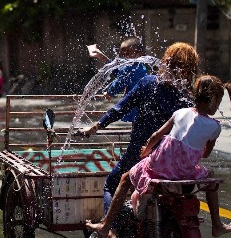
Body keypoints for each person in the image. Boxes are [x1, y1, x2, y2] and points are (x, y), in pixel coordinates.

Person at [86, 75, 231, 237]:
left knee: (126, 178)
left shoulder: (180, 113)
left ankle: (106, 226)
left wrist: (146, 152)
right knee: (211, 183)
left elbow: (155, 136)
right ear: (214, 100)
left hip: (160, 167)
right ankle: (217, 225)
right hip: (187, 172)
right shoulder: (215, 127)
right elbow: (205, 154)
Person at [79, 42, 199, 236]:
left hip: (141, 152)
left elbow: (120, 108)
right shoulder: (188, 96)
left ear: (166, 61)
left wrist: (96, 126)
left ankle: (111, 230)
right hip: (178, 162)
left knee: (112, 182)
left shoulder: (148, 83)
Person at [91, 37, 147, 123]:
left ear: (139, 54)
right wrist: (103, 58)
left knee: (137, 129)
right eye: (122, 53)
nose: (125, 56)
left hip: (134, 104)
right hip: (142, 103)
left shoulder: (130, 68)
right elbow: (119, 72)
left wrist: (110, 92)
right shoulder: (139, 66)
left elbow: (120, 82)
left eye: (128, 53)